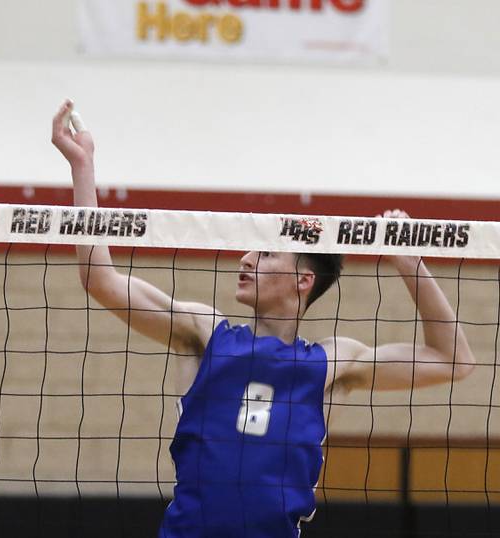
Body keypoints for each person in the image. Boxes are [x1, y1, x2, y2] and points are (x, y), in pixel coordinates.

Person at [50, 100, 476, 538]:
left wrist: (410, 265)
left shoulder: (330, 362)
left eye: (267, 253)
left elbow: (453, 360)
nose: (246, 258)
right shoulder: (205, 331)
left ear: (303, 280)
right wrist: (83, 167)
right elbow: (100, 279)